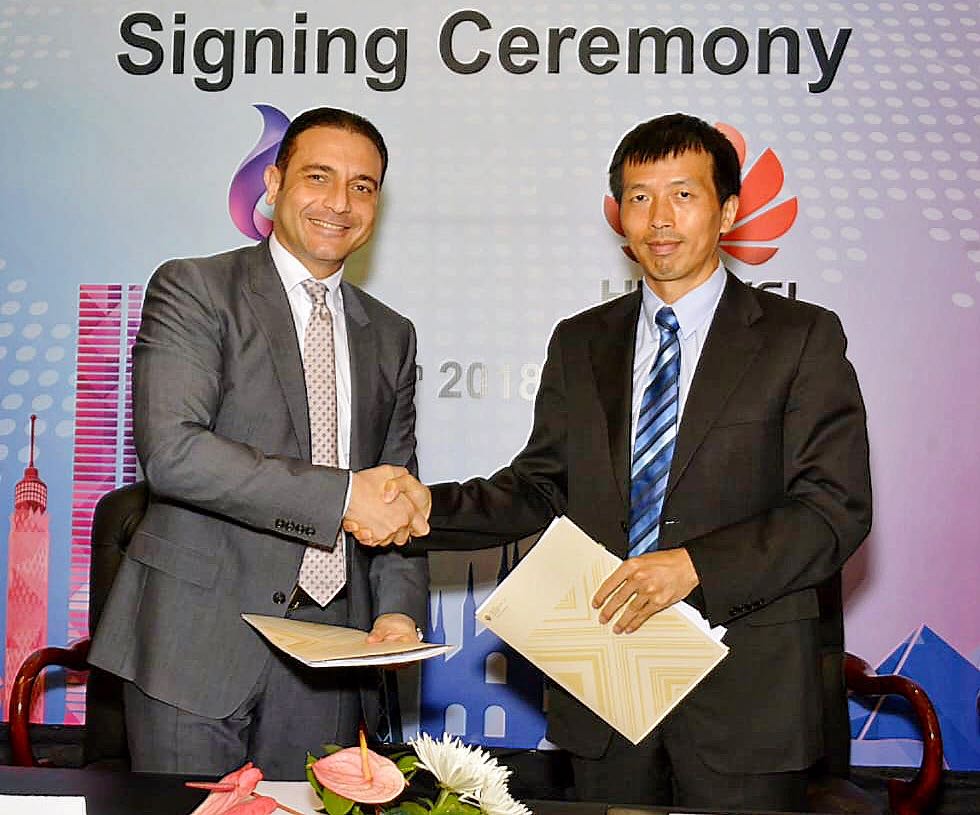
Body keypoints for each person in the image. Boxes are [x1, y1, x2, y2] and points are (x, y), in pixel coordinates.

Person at [352, 113, 872, 811]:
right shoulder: (581, 341)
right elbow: (538, 487)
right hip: (604, 684)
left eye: (683, 195)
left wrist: (696, 566)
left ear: (728, 211)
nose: (659, 219)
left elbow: (833, 508)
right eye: (638, 197)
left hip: (745, 698)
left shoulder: (800, 338)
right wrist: (427, 508)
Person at [89, 107, 430, 779]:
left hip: (329, 660)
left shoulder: (391, 334)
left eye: (362, 186)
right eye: (318, 177)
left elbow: (394, 491)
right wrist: (342, 497)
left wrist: (397, 612)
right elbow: (174, 452)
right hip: (194, 645)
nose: (340, 202)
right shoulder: (196, 288)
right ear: (273, 184)